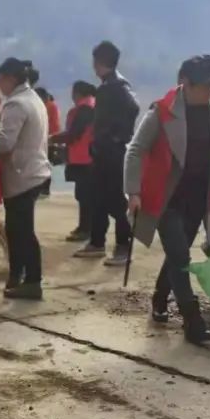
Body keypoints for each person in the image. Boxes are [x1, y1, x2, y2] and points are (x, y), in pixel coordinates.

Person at [125, 55, 210, 345]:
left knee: (177, 253)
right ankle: (192, 321)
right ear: (186, 84)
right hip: (167, 197)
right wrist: (133, 192)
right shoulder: (162, 113)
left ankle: (159, 297)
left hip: (199, 195)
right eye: (206, 85)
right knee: (180, 256)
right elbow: (136, 150)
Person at [0, 58, 51, 300]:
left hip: (21, 176)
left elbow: (4, 143)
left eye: (0, 78)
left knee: (22, 231)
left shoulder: (16, 104)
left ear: (10, 78)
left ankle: (33, 280)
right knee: (18, 230)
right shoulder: (34, 99)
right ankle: (17, 276)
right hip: (34, 172)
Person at [84, 40, 140, 266]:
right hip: (103, 151)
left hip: (113, 153)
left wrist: (116, 136)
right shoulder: (109, 86)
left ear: (99, 63)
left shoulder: (117, 87)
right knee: (97, 199)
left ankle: (123, 247)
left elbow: (132, 108)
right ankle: (97, 242)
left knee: (117, 201)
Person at [50, 81, 97, 242]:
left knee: (85, 196)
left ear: (77, 93)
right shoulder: (91, 106)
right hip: (85, 157)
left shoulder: (86, 109)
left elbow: (74, 133)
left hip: (85, 158)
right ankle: (84, 227)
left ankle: (86, 229)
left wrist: (51, 139)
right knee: (83, 195)